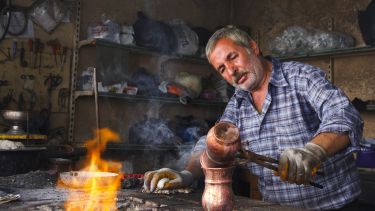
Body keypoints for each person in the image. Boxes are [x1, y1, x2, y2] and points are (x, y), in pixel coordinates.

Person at [143, 26, 363, 210]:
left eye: (233, 57)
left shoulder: (300, 77)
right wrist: (187, 174)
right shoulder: (238, 102)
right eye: (222, 68)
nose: (232, 71)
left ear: (253, 47)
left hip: (335, 206)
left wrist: (314, 151)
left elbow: (342, 113)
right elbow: (213, 142)